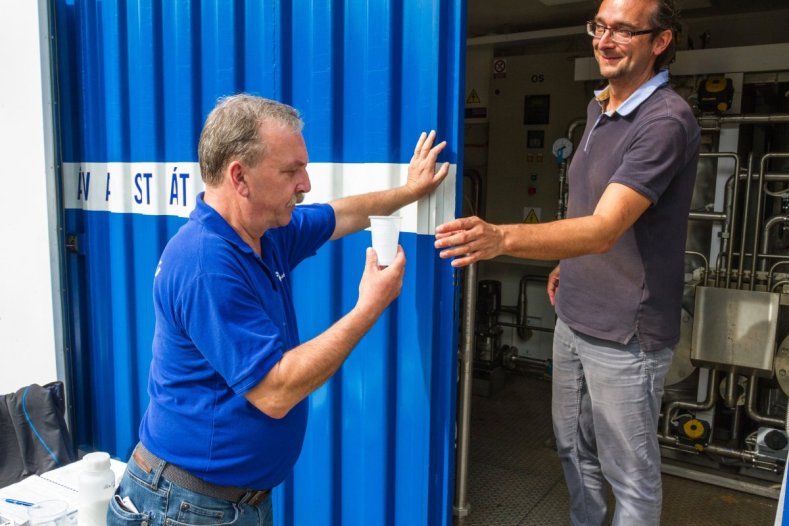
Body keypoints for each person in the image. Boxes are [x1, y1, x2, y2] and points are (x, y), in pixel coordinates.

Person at [108, 94, 449, 526]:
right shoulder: (206, 263)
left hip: (228, 503)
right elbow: (274, 392)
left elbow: (343, 215)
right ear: (240, 177)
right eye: (291, 171)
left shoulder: (265, 233)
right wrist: (370, 306)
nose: (305, 184)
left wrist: (410, 191)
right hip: (185, 508)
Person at [434, 0, 699, 524]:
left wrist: (503, 236)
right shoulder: (600, 108)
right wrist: (564, 262)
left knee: (631, 476)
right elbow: (587, 208)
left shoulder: (665, 120)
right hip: (574, 315)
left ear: (661, 40)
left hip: (627, 331)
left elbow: (604, 229)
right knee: (573, 452)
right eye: (600, 27)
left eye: (623, 31)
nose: (604, 41)